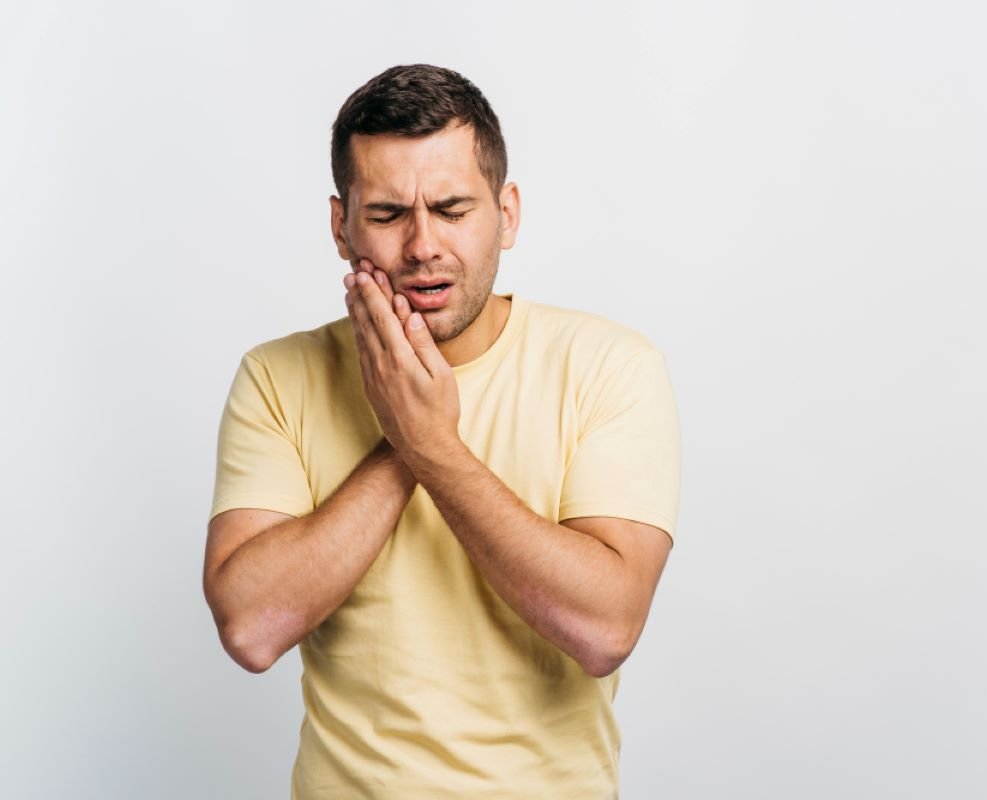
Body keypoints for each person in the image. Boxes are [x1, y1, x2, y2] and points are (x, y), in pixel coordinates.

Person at [202, 63, 681, 799]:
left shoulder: (608, 366)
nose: (423, 245)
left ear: (507, 213)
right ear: (342, 226)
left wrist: (432, 444)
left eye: (453, 209)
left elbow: (606, 630)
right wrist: (403, 441)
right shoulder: (279, 376)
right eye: (389, 215)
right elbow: (251, 629)